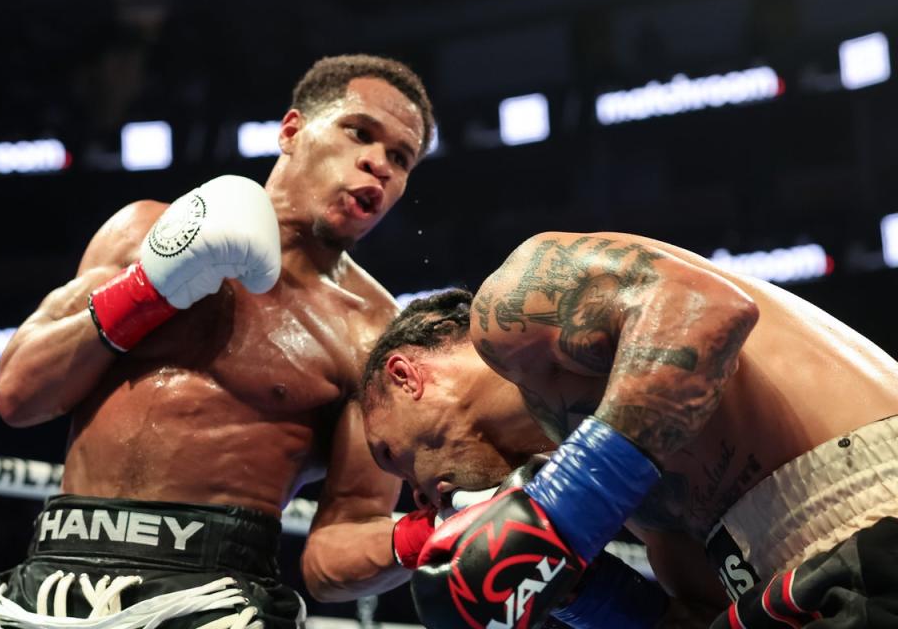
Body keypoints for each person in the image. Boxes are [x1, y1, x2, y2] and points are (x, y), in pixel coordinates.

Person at [0, 54, 437, 629]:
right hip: (52, 583)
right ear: (291, 130)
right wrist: (149, 291)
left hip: (213, 603)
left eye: (400, 158)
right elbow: (19, 395)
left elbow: (336, 550)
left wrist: (431, 534)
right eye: (360, 132)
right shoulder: (143, 229)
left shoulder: (373, 334)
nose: (378, 163)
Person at [359, 231, 898, 629]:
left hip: (873, 510)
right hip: (814, 579)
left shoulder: (508, 313)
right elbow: (705, 616)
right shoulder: (640, 491)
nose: (417, 497)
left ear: (406, 377)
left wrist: (563, 508)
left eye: (390, 454)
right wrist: (578, 589)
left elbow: (709, 311)